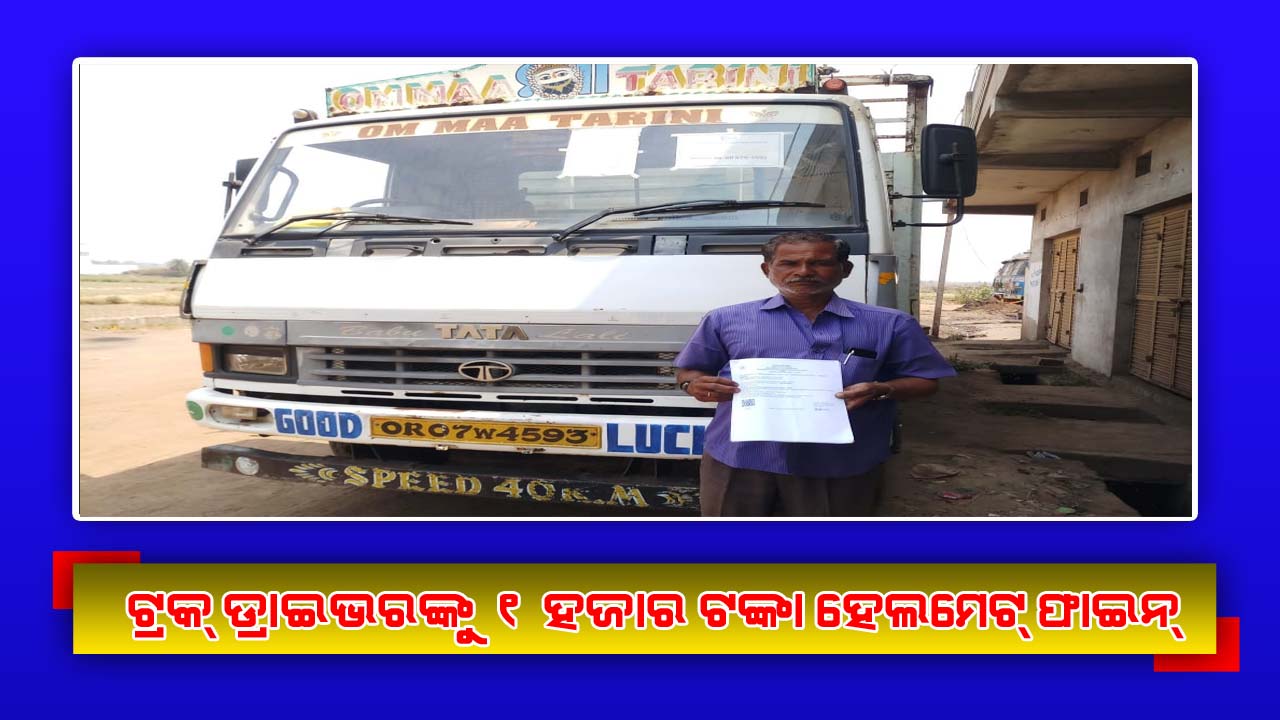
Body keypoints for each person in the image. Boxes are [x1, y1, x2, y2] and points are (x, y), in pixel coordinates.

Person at [674, 231, 956, 517]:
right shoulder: (724, 319)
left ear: (845, 269)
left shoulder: (891, 324)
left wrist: (882, 389)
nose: (804, 271)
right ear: (767, 269)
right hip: (740, 458)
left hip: (842, 463)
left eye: (820, 263)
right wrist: (693, 384)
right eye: (789, 263)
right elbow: (689, 370)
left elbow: (926, 381)